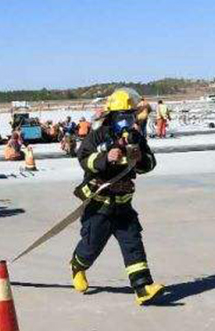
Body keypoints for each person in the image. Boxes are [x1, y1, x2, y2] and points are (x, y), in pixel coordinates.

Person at [70, 87, 164, 306]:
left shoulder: (135, 137)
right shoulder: (98, 136)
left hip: (123, 207)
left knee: (133, 245)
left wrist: (140, 158)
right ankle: (77, 266)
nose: (127, 120)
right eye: (122, 116)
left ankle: (142, 289)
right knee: (91, 247)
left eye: (130, 115)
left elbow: (149, 164)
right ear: (112, 116)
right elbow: (84, 159)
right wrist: (105, 157)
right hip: (99, 208)